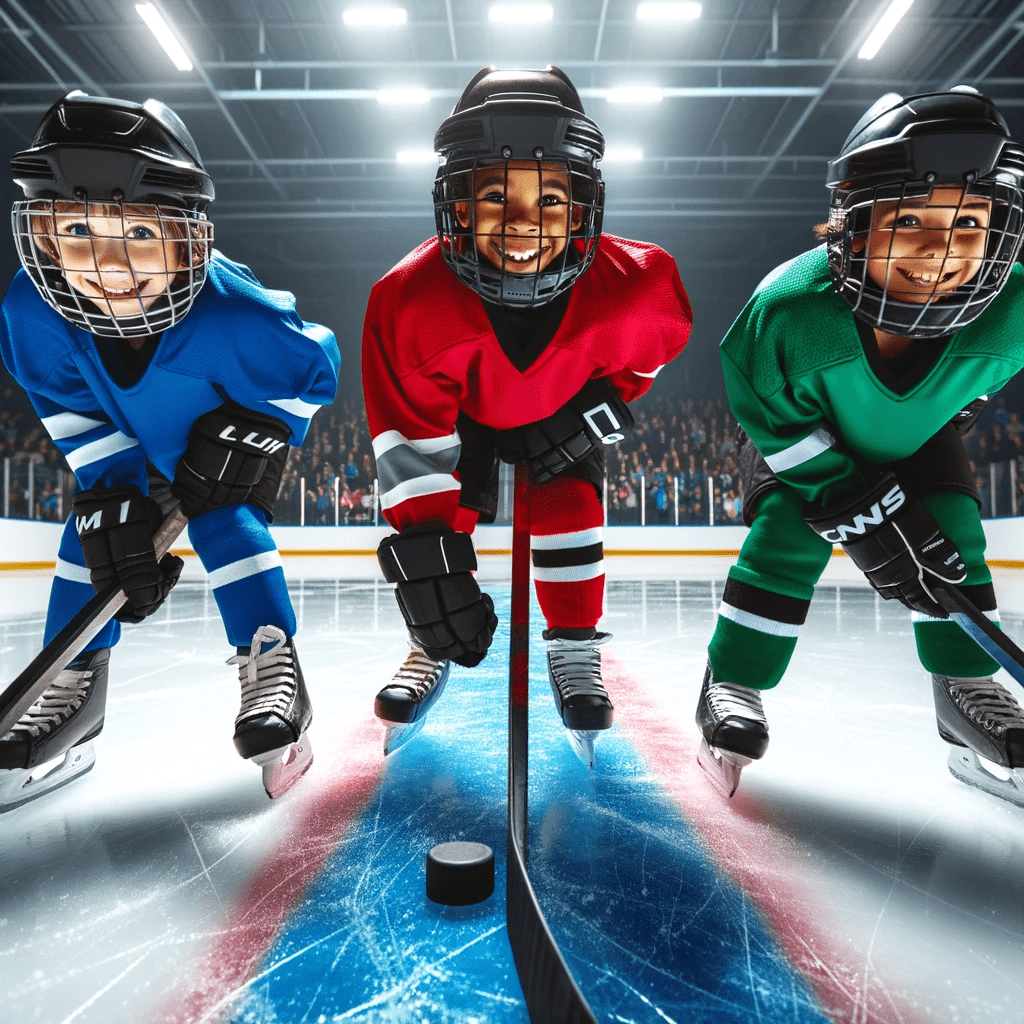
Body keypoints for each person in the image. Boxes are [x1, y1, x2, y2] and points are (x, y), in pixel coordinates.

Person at [0, 92, 339, 809]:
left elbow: (314, 373)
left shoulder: (233, 313)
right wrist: (110, 484)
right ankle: (75, 679)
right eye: (78, 233)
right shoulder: (32, 311)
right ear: (43, 236)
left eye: (139, 237)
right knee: (95, 529)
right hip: (130, 445)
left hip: (228, 441)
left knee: (223, 521)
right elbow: (67, 403)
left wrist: (253, 430)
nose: (109, 265)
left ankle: (273, 663)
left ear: (187, 238)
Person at [696, 86, 1024, 805]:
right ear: (851, 224)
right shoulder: (788, 310)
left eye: (970, 222)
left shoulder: (1012, 308)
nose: (941, 251)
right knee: (788, 539)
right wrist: (851, 502)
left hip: (920, 439)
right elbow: (765, 410)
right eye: (911, 219)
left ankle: (965, 686)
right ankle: (732, 678)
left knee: (956, 535)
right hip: (810, 445)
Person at [362, 66, 691, 756]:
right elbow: (416, 449)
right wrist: (436, 587)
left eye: (548, 197)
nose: (519, 223)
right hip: (466, 422)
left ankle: (574, 646)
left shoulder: (635, 288)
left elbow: (646, 361)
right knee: (445, 522)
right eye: (492, 195)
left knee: (571, 507)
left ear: (580, 209)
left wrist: (589, 414)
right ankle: (429, 646)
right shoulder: (408, 301)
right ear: (456, 203)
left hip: (563, 412)